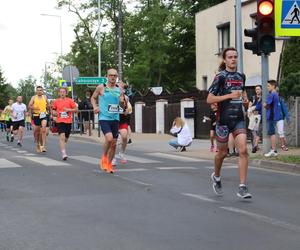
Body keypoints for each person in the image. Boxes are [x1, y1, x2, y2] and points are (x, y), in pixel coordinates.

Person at [207, 47, 252, 199]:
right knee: (223, 153)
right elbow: (209, 99)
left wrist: (246, 101)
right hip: (223, 121)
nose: (233, 59)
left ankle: (242, 187)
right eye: (230, 57)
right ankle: (217, 177)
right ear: (225, 60)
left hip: (238, 119)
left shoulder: (241, 76)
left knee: (244, 150)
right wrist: (229, 95)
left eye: (235, 57)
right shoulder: (220, 77)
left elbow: (243, 94)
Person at [91, 68, 124, 173]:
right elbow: (93, 98)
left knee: (113, 143)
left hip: (115, 118)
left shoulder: (119, 89)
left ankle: (109, 164)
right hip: (104, 117)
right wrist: (95, 107)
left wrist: (122, 101)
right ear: (107, 76)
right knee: (109, 139)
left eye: (115, 75)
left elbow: (122, 105)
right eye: (111, 75)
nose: (113, 77)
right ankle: (104, 157)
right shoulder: (101, 87)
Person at [52, 87, 78, 160]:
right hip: (60, 121)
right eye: (61, 92)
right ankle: (63, 153)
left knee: (66, 138)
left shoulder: (70, 100)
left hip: (68, 121)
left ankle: (62, 144)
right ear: (59, 93)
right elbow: (53, 111)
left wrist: (68, 110)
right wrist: (55, 113)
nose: (62, 93)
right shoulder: (56, 101)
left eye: (64, 92)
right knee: (62, 136)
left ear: (66, 93)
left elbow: (76, 109)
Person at [28, 86, 50, 152]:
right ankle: (38, 144)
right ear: (36, 91)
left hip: (44, 115)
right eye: (38, 90)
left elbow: (48, 105)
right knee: (37, 132)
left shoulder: (45, 97)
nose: (39, 91)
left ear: (42, 91)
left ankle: (43, 146)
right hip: (36, 115)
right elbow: (29, 106)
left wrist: (49, 107)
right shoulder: (34, 97)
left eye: (40, 90)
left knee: (43, 129)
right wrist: (35, 108)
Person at [264, 80, 280, 157]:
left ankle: (273, 150)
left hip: (271, 116)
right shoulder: (276, 94)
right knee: (272, 133)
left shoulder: (272, 94)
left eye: (268, 86)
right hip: (274, 116)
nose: (267, 88)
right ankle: (274, 150)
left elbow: (266, 105)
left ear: (273, 86)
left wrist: (264, 105)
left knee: (272, 133)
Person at [248, 85, 262, 153]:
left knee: (258, 131)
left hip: (261, 117)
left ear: (261, 90)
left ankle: (256, 145)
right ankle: (254, 146)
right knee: (253, 131)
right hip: (254, 117)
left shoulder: (263, 97)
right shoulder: (253, 97)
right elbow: (249, 107)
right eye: (256, 89)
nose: (257, 90)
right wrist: (250, 113)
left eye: (258, 89)